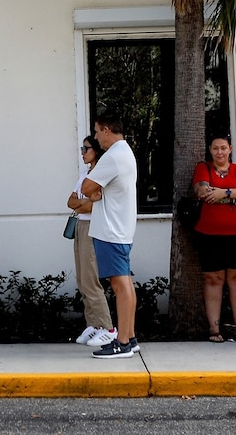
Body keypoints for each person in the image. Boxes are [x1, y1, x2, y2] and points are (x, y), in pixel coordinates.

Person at [82, 113, 139, 359]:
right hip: (120, 229)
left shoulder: (113, 156)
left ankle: (123, 342)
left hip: (111, 231)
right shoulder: (125, 153)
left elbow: (86, 188)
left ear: (106, 130)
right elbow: (93, 191)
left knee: (120, 285)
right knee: (124, 283)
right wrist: (97, 191)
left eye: (96, 132)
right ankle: (130, 336)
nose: (95, 137)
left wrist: (95, 191)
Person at [192, 134, 236, 342]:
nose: (220, 152)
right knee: (213, 279)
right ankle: (214, 329)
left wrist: (223, 193)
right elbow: (202, 191)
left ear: (230, 149)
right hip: (209, 235)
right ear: (210, 150)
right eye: (215, 148)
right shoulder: (204, 168)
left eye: (223, 148)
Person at [68, 134, 115, 348]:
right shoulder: (85, 175)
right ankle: (94, 324)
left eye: (86, 148)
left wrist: (81, 203)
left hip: (93, 227)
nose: (82, 152)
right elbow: (70, 201)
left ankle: (107, 327)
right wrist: (83, 202)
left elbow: (93, 206)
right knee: (82, 279)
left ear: (96, 150)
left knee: (91, 278)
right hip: (80, 226)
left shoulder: (100, 175)